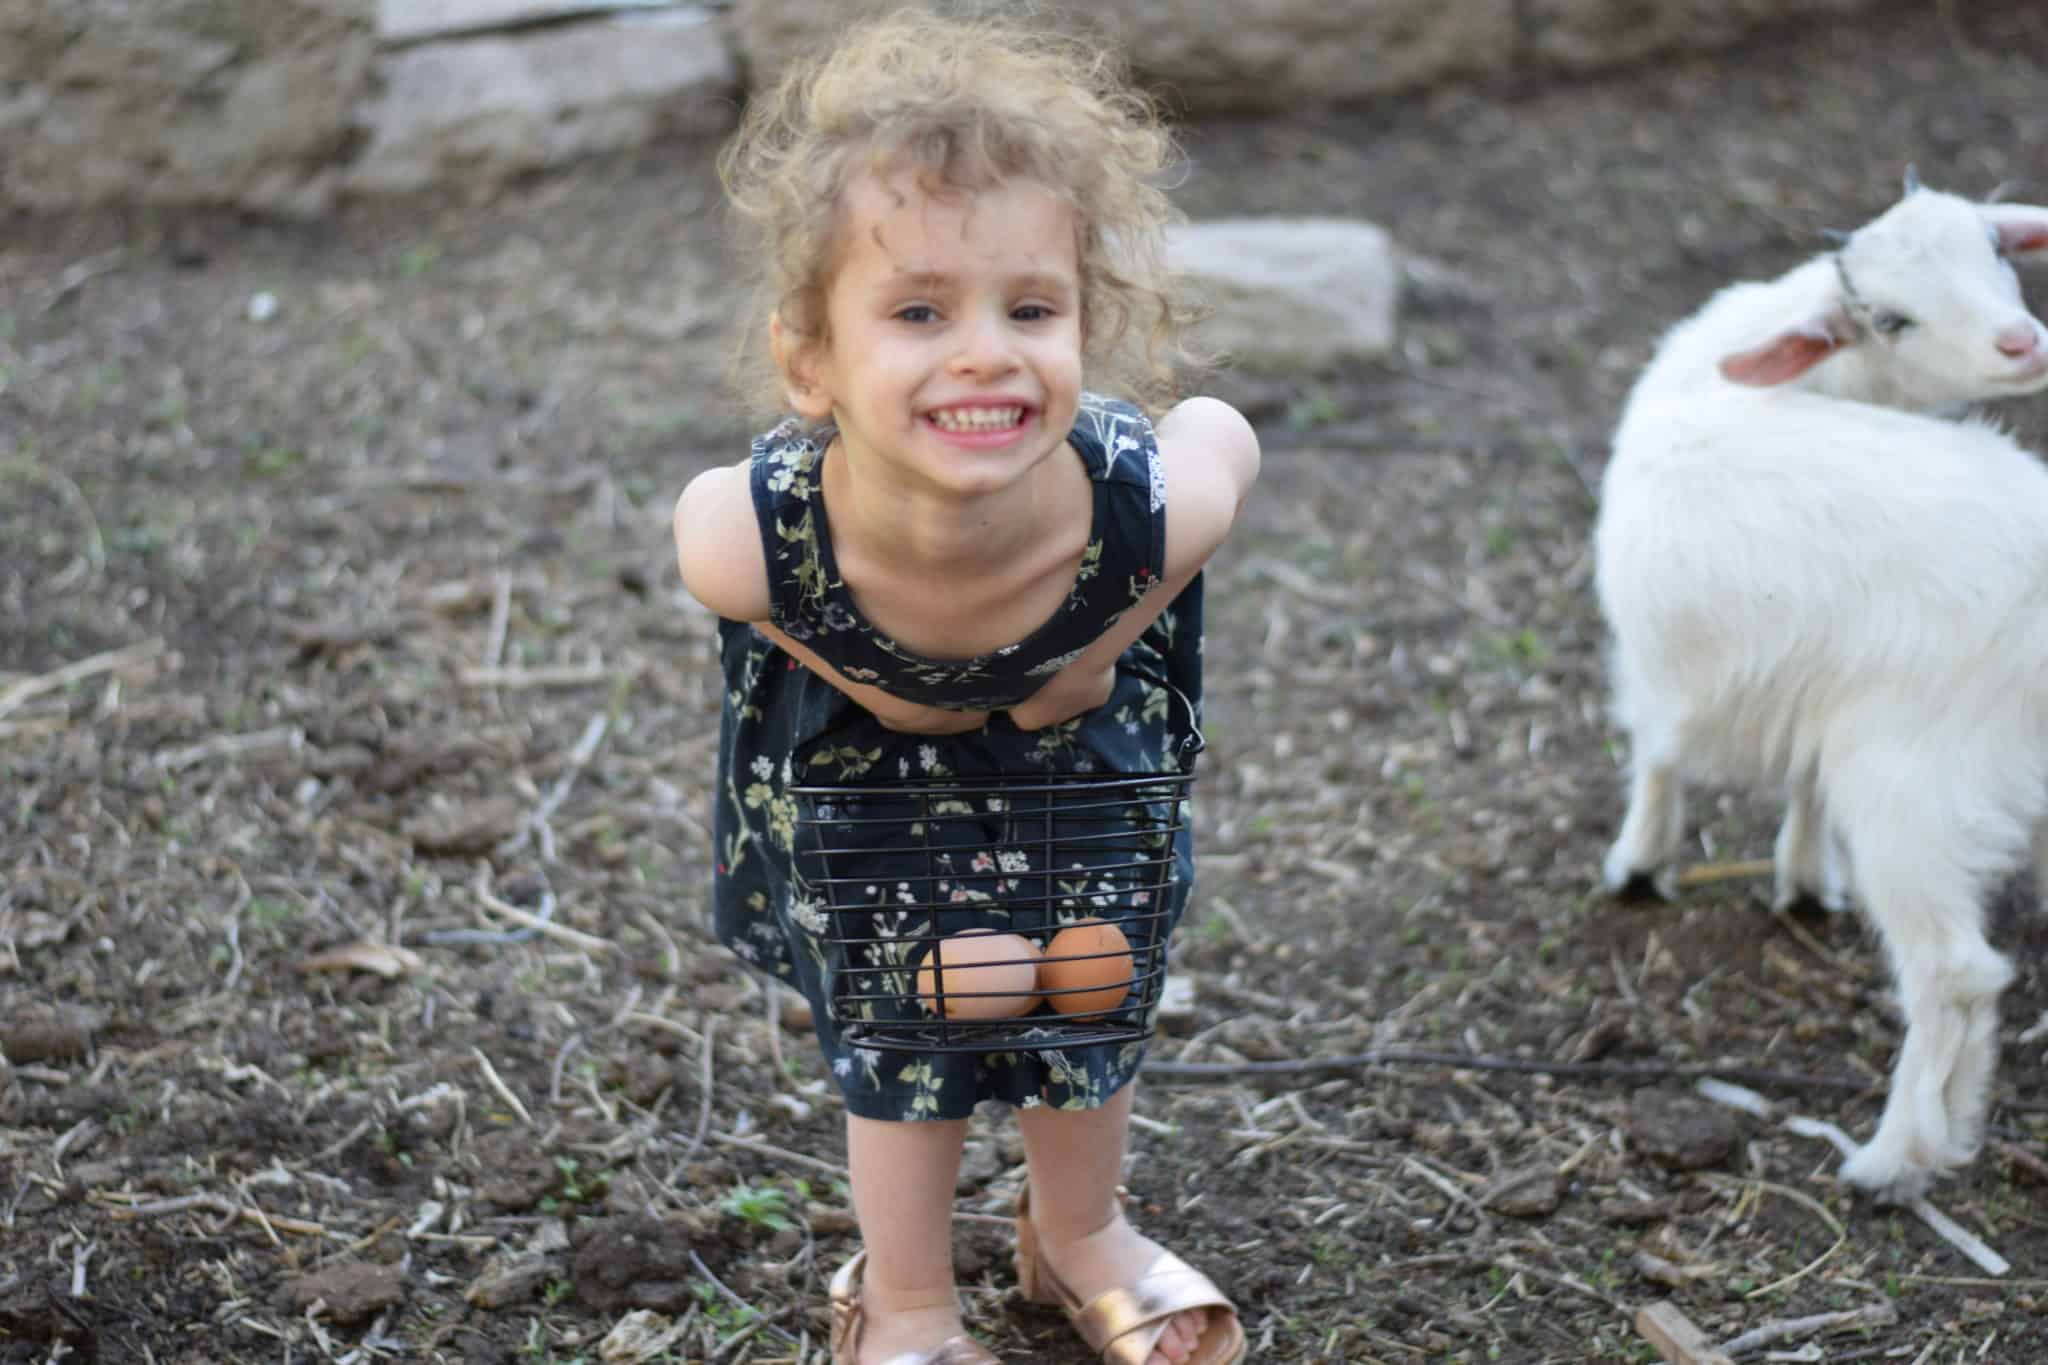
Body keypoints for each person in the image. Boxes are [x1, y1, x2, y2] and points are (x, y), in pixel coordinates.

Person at [673, 10, 1259, 1364]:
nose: (986, 349)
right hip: (871, 791)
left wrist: (1100, 639)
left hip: (1082, 774)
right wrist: (903, 692)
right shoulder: (760, 527)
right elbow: (722, 565)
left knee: (1092, 979)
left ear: (1085, 326)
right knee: (926, 1003)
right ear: (810, 360)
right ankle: (909, 1294)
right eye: (920, 309)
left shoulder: (1134, 498)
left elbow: (1223, 447)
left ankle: (1078, 1234)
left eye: (1031, 308)